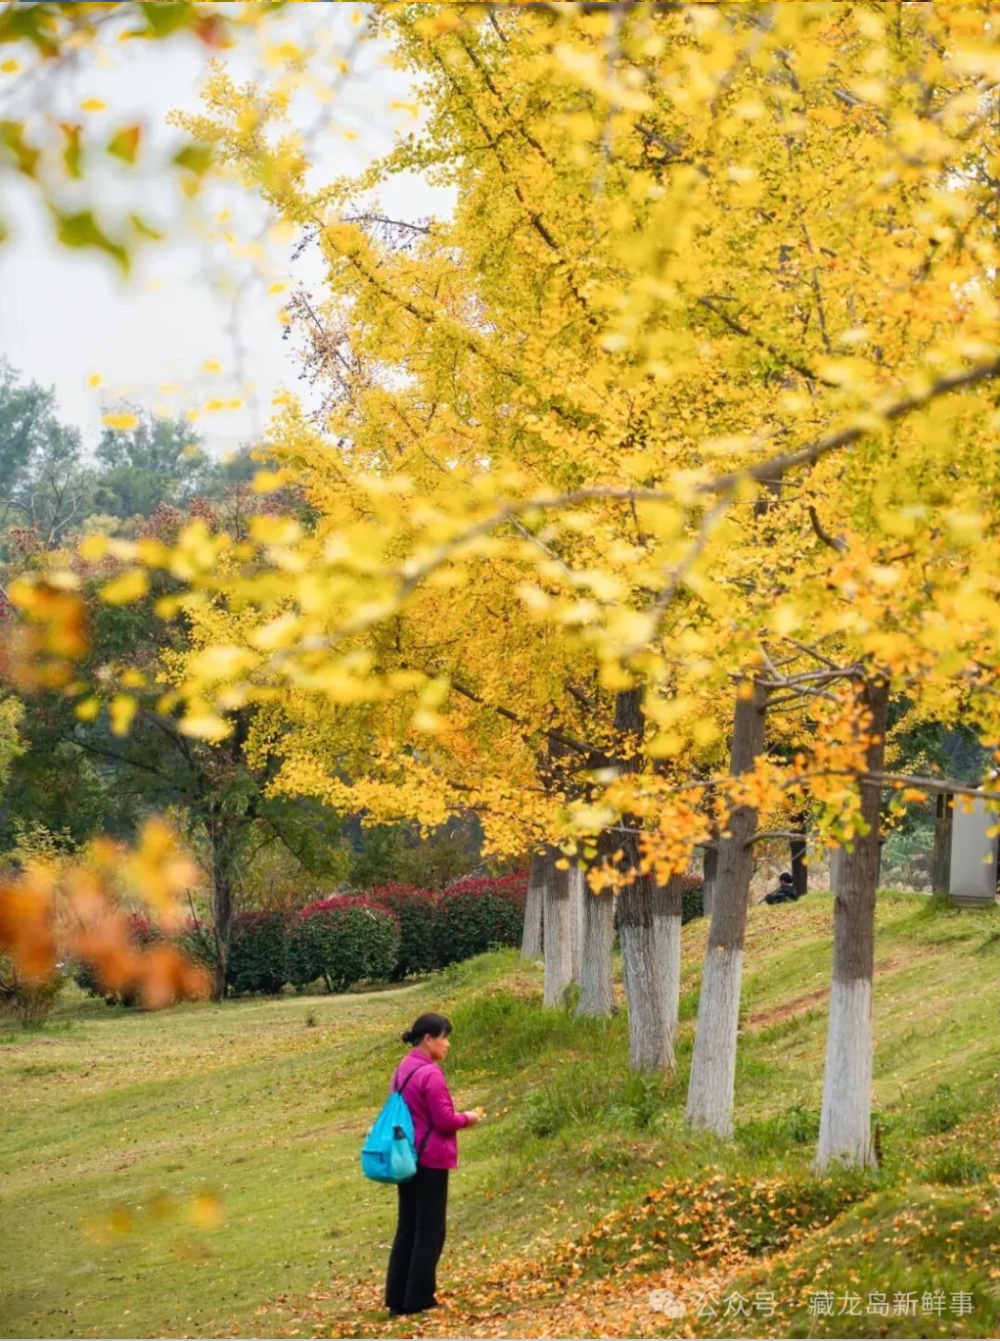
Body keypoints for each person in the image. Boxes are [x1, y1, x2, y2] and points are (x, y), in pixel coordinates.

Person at [384, 1012, 482, 1317]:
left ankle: (397, 1299)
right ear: (428, 1039)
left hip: (406, 1158)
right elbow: (443, 1121)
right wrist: (469, 1117)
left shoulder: (402, 1069)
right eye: (444, 1037)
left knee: (408, 1228)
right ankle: (420, 1299)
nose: (448, 1044)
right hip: (430, 1159)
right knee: (430, 1230)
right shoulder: (431, 1074)